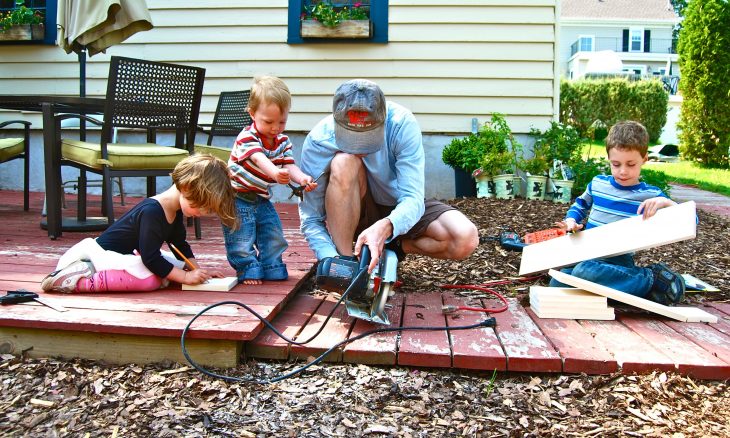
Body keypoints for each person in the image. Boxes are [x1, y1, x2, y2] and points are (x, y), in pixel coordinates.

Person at [299, 79, 478, 272]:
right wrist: (329, 258)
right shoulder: (319, 140)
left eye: (368, 138)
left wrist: (387, 226)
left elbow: (412, 198)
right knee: (344, 161)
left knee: (464, 238)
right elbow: (311, 218)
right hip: (355, 211)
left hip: (399, 206)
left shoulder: (401, 124)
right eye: (351, 139)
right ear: (337, 122)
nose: (360, 146)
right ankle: (347, 265)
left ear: (383, 119)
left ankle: (392, 247)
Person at [41, 154, 238, 293]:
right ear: (185, 188)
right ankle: (77, 280)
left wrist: (196, 270)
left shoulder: (175, 210)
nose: (201, 214)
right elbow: (150, 258)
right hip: (102, 258)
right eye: (199, 207)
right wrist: (185, 278)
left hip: (132, 256)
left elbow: (179, 245)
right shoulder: (153, 211)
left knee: (168, 267)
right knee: (150, 280)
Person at [550, 120, 685, 305]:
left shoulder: (650, 195)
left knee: (584, 272)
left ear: (644, 159)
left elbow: (689, 220)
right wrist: (571, 221)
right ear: (608, 159)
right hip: (586, 252)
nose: (622, 171)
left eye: (631, 164)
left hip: (618, 260)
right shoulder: (598, 184)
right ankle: (626, 290)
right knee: (556, 283)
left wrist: (666, 202)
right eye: (616, 164)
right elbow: (580, 205)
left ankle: (651, 278)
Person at [223, 76, 318, 285]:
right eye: (268, 122)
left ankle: (271, 264)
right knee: (241, 236)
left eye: (282, 122)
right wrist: (275, 173)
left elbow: (289, 165)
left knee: (273, 231)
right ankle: (247, 268)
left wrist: (302, 178)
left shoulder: (283, 141)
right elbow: (258, 158)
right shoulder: (247, 137)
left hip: (260, 197)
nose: (275, 127)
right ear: (252, 113)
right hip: (237, 197)